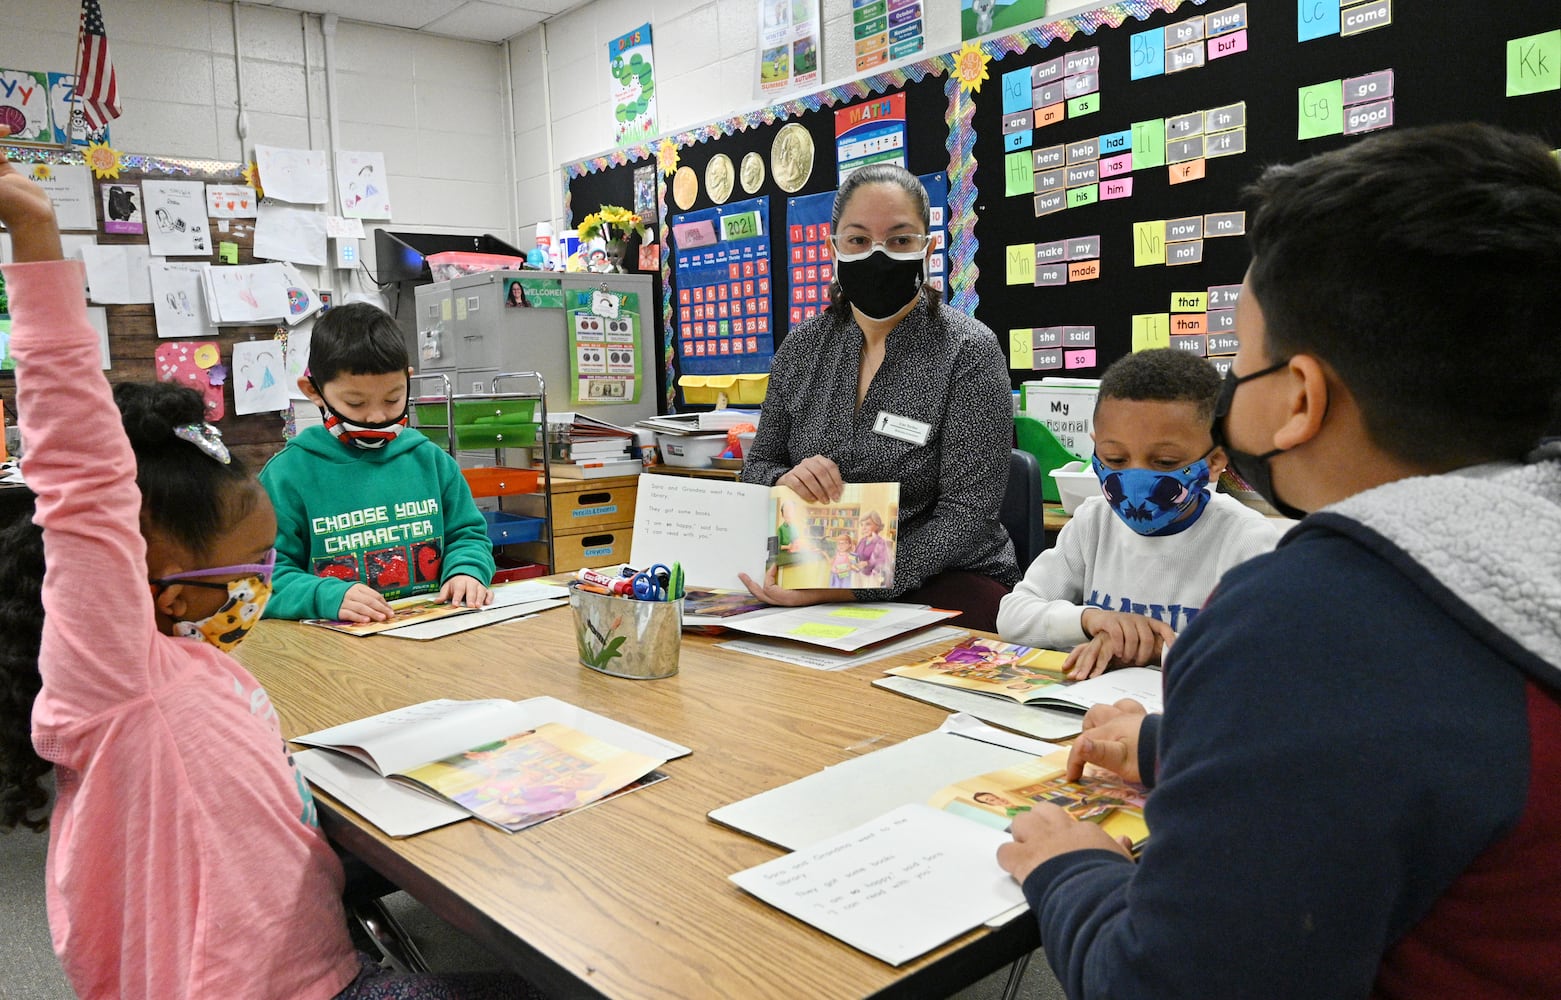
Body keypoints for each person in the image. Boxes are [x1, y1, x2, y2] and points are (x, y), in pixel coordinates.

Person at [995, 123, 1561, 998]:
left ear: (1295, 398)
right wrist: (1165, 745)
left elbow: (1165, 987)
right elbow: (1409, 761)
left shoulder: (1312, 613)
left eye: (1243, 362)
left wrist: (1073, 869)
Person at [0, 133, 535, 999]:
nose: (260, 579)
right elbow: (78, 478)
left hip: (306, 942)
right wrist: (33, 233)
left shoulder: (199, 660)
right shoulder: (114, 676)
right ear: (144, 575)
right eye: (246, 564)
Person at [740, 163, 1019, 631]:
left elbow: (966, 516)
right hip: (810, 574)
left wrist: (848, 586)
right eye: (858, 240)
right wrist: (784, 481)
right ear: (834, 249)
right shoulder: (802, 350)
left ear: (927, 249)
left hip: (946, 580)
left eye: (899, 239)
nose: (878, 254)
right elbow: (756, 470)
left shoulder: (968, 350)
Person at [995, 348, 1282, 678]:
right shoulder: (1093, 521)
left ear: (1216, 460)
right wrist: (1089, 620)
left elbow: (1266, 655)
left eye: (1164, 463)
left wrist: (1159, 649)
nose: (1135, 481)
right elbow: (1012, 615)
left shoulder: (1245, 540)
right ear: (1096, 445)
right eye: (1115, 459)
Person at [261, 302, 494, 623]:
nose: (376, 417)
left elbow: (467, 535)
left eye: (392, 399)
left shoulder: (430, 461)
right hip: (332, 655)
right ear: (313, 392)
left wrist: (467, 571)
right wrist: (323, 596)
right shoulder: (287, 475)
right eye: (355, 402)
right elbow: (260, 578)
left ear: (408, 381)